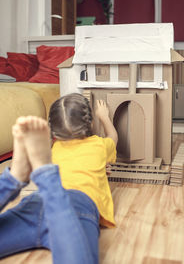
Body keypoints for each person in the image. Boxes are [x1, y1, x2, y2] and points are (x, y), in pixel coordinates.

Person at [0, 93, 118, 264]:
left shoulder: (54, 148)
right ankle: (45, 174)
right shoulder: (99, 145)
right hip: (78, 205)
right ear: (91, 123)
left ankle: (13, 179)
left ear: (53, 131)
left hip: (37, 202)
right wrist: (104, 117)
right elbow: (113, 138)